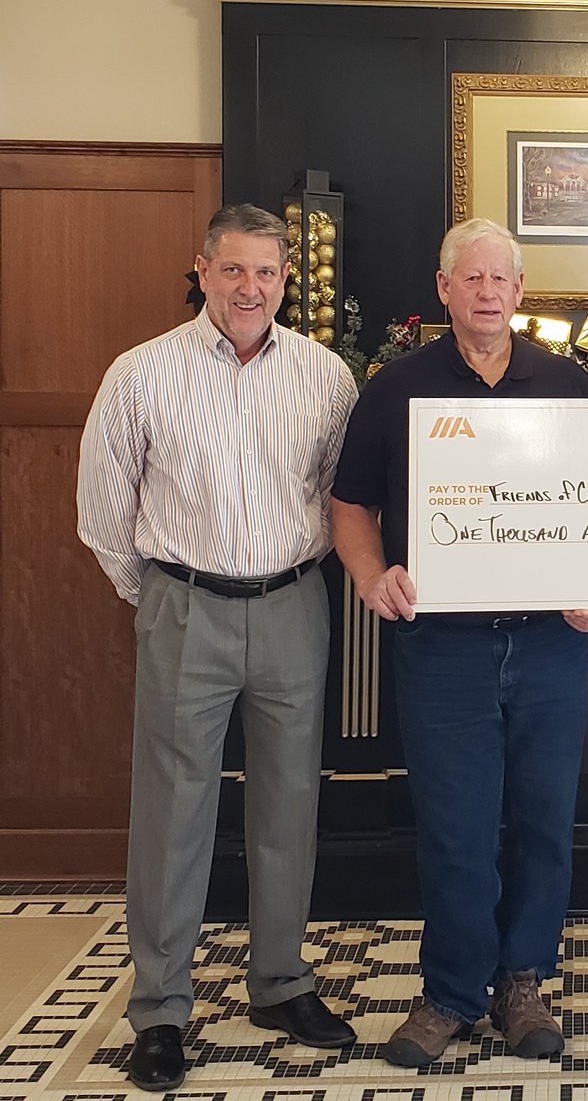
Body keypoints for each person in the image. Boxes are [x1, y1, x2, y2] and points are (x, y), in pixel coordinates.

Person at [331, 217, 588, 1068]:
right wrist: (371, 576)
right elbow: (351, 504)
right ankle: (448, 993)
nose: (484, 293)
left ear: (518, 293)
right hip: (441, 649)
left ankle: (522, 980)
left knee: (544, 822)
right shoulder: (395, 386)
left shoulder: (569, 383)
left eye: (498, 280)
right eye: (468, 279)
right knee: (455, 826)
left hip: (550, 647)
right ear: (443, 290)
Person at [77, 204, 360, 1092]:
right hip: (184, 607)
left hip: (292, 607)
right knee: (172, 814)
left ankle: (279, 981)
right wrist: (163, 597)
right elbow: (102, 512)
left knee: (288, 804)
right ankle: (161, 1008)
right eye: (233, 270)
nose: (251, 289)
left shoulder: (325, 377)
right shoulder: (141, 374)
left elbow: (338, 498)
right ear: (202, 270)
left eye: (268, 273)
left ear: (287, 279)